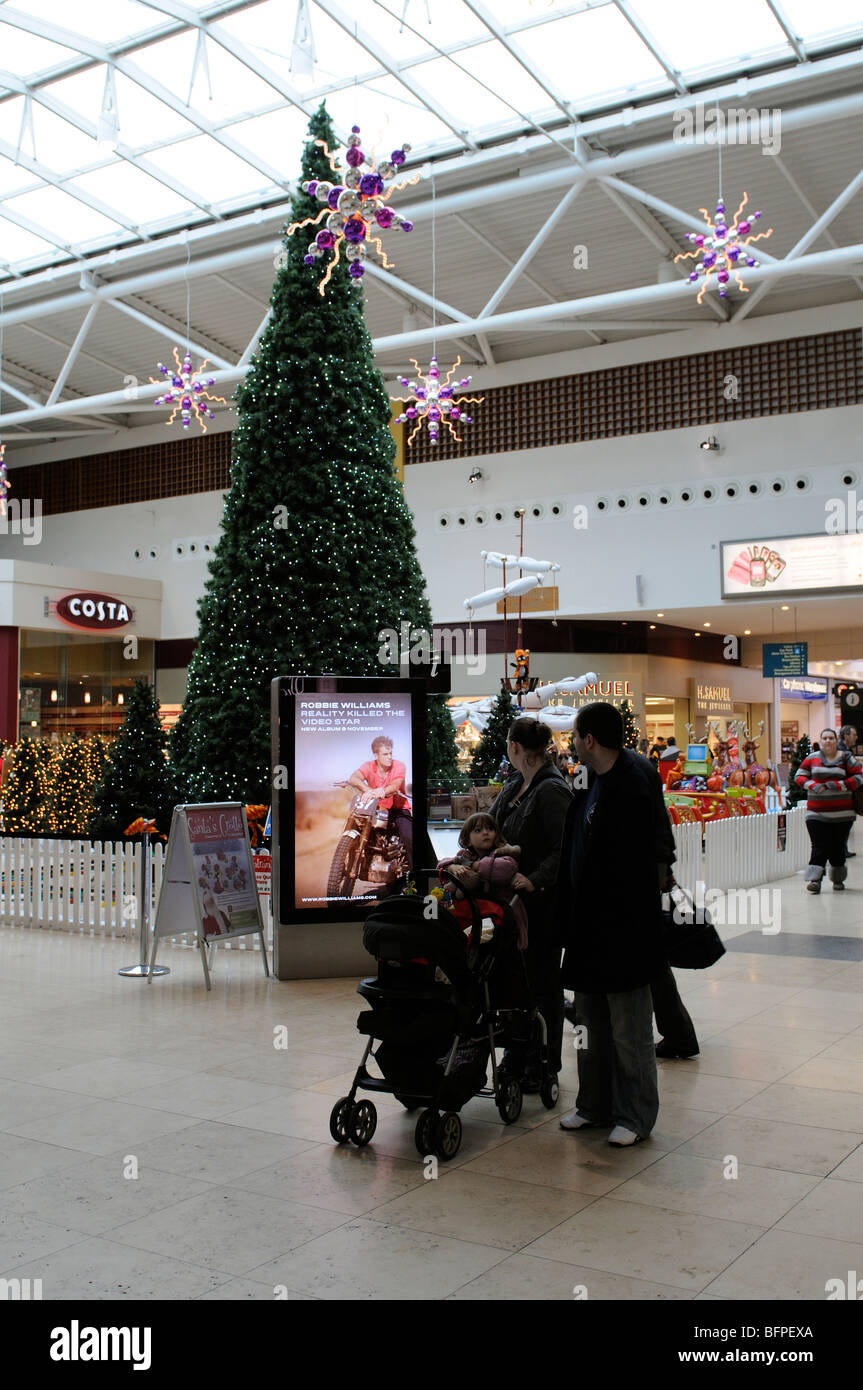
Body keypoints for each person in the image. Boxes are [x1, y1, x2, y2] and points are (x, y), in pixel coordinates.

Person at [558, 702, 666, 1146]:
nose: (571, 744)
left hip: (623, 929)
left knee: (629, 1028)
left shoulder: (632, 782)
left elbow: (643, 861)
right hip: (588, 927)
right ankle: (594, 1106)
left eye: (575, 736)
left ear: (589, 740)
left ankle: (635, 1116)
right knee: (591, 1024)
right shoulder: (592, 781)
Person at [488, 717, 572, 1090]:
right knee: (513, 984)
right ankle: (517, 1053)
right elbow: (489, 828)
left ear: (516, 747)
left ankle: (543, 1063)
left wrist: (534, 880)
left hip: (541, 907)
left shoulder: (552, 791)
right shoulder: (514, 786)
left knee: (542, 984)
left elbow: (563, 849)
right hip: (509, 908)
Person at [437, 812, 529, 949]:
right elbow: (441, 866)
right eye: (478, 830)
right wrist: (452, 866)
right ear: (468, 840)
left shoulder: (503, 853)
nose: (486, 833)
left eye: (490, 829)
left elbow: (505, 870)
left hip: (501, 914)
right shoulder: (464, 855)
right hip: (477, 913)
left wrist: (472, 866)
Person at [796, 728, 863, 893]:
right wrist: (812, 785)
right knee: (819, 845)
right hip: (816, 812)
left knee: (838, 847)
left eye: (831, 738)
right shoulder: (812, 759)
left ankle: (838, 878)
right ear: (820, 741)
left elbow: (859, 777)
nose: (827, 741)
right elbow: (799, 776)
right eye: (824, 738)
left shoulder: (846, 758)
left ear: (836, 740)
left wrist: (839, 785)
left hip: (843, 814)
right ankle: (815, 879)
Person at [348, 735, 412, 865]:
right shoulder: (368, 766)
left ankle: (414, 875)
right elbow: (353, 778)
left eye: (390, 753)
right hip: (377, 809)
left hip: (398, 810)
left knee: (409, 837)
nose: (389, 757)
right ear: (376, 755)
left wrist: (382, 790)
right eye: (385, 754)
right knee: (356, 824)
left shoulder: (399, 766)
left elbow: (396, 785)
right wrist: (369, 790)